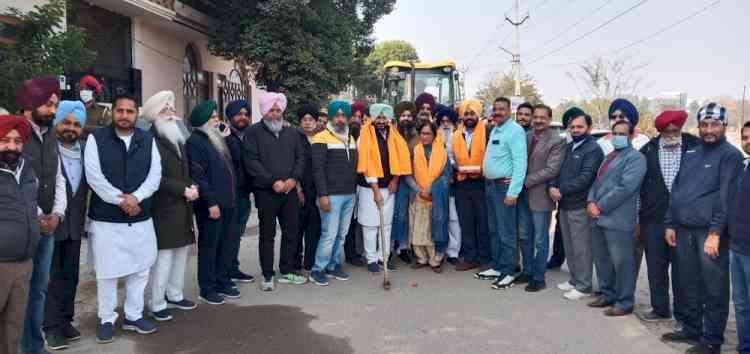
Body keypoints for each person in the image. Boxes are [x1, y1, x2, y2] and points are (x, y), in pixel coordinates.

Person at [661, 103, 744, 354]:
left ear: (724, 126)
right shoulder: (692, 153)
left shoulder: (730, 155)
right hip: (684, 230)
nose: (709, 130)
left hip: (709, 233)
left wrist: (715, 233)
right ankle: (691, 328)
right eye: (704, 125)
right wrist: (669, 223)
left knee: (714, 288)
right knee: (688, 283)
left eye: (715, 125)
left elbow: (726, 198)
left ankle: (712, 340)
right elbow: (677, 191)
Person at [85, 93, 162, 343]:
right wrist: (122, 200)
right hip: (107, 219)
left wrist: (136, 198)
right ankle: (107, 318)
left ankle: (133, 315)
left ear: (136, 114)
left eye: (130, 111)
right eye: (120, 111)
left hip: (140, 217)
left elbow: (155, 175)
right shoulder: (97, 138)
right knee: (108, 272)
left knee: (140, 270)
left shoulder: (147, 139)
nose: (124, 116)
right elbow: (94, 177)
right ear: (113, 112)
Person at [16, 76, 67, 354]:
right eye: (48, 105)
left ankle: (35, 346)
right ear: (32, 103)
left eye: (55, 105)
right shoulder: (16, 135)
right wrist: (38, 215)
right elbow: (16, 182)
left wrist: (57, 213)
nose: (52, 111)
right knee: (19, 293)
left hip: (48, 227)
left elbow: (59, 177)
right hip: (24, 228)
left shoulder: (50, 135)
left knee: (39, 291)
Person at [636, 110, 699, 323]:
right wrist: (639, 219)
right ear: (660, 131)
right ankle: (660, 309)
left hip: (685, 221)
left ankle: (684, 315)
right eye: (666, 130)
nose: (671, 133)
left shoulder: (696, 147)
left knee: (684, 271)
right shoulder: (647, 150)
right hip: (653, 220)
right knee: (655, 267)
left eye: (675, 130)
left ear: (681, 128)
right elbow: (639, 189)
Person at [141, 91, 198, 321]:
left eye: (172, 110)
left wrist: (191, 185)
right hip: (163, 207)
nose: (172, 114)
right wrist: (182, 190)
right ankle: (157, 302)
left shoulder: (176, 136)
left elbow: (183, 169)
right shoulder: (150, 140)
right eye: (166, 110)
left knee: (181, 253)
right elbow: (155, 178)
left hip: (182, 206)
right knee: (163, 257)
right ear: (156, 115)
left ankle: (175, 294)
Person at [244, 92, 307, 290]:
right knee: (267, 234)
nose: (275, 113)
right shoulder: (253, 132)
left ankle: (287, 270)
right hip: (266, 192)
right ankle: (268, 275)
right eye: (271, 110)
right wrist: (272, 181)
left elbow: (301, 158)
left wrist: (292, 179)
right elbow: (251, 161)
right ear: (264, 111)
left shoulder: (293, 133)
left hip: (289, 192)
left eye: (278, 110)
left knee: (291, 232)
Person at [586, 120, 647, 316]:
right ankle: (607, 294)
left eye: (622, 134)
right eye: (615, 133)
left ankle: (624, 302)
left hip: (618, 219)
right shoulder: (609, 156)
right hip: (597, 217)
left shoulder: (636, 158)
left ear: (630, 136)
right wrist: (590, 202)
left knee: (622, 264)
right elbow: (596, 183)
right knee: (602, 260)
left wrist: (600, 206)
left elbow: (626, 187)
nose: (618, 137)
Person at [42, 101, 88, 350]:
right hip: (51, 223)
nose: (71, 128)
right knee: (51, 278)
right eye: (66, 123)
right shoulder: (47, 150)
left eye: (76, 124)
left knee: (71, 275)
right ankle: (50, 327)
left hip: (75, 225)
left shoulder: (85, 151)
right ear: (57, 123)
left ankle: (65, 320)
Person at [186, 100, 239, 304]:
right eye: (214, 117)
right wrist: (211, 203)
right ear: (203, 121)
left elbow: (235, 161)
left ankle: (222, 281)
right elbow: (199, 176)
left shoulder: (216, 138)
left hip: (228, 202)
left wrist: (229, 138)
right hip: (211, 205)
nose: (218, 120)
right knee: (210, 247)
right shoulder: (195, 142)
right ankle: (207, 288)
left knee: (226, 244)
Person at [549, 108, 604, 301]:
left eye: (580, 126)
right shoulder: (570, 146)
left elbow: (585, 178)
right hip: (564, 204)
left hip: (579, 205)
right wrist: (553, 187)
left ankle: (584, 285)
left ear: (589, 128)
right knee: (570, 246)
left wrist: (560, 189)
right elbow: (557, 171)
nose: (575, 129)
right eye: (572, 127)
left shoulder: (592, 149)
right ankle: (574, 280)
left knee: (581, 248)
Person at [478, 97, 528, 290]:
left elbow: (520, 163)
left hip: (504, 188)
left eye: (502, 109)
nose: (498, 112)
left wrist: (513, 192)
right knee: (494, 230)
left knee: (507, 232)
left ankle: (509, 271)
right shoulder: (495, 130)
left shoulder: (515, 131)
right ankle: (498, 267)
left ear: (509, 111)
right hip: (490, 186)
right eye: (495, 109)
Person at [356, 103, 412, 273]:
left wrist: (395, 180)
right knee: (370, 225)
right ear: (373, 118)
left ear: (388, 119)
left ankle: (384, 257)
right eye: (378, 117)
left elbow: (400, 160)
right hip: (369, 187)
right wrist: (375, 190)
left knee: (386, 225)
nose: (381, 121)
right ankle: (371, 259)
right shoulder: (364, 136)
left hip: (389, 186)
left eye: (384, 118)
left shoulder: (394, 135)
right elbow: (366, 164)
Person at [308, 100, 358, 286]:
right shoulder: (321, 138)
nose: (340, 119)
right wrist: (323, 195)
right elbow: (317, 169)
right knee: (329, 234)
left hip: (349, 194)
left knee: (341, 234)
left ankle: (333, 265)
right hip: (331, 195)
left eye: (343, 115)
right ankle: (317, 269)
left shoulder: (351, 138)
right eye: (336, 115)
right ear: (330, 117)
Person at [0, 115, 38, 354]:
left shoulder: (27, 169)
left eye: (17, 141)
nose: (12, 147)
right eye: (4, 140)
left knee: (12, 329)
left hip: (24, 264)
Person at [517, 104, 565, 292]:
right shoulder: (526, 136)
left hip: (541, 196)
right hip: (522, 195)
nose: (537, 120)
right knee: (524, 236)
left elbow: (552, 169)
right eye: (535, 117)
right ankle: (527, 271)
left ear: (550, 118)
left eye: (542, 117)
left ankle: (539, 277)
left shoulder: (557, 140)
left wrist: (525, 181)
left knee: (540, 239)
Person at [406, 121, 450, 272]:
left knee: (435, 227)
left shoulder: (442, 152)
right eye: (422, 133)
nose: (424, 136)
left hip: (436, 197)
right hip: (417, 195)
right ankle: (421, 258)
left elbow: (445, 175)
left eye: (428, 134)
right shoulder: (414, 150)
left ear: (434, 135)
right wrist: (419, 190)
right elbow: (408, 174)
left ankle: (435, 259)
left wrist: (431, 189)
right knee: (418, 229)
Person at [452, 99, 490, 272]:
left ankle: (484, 258)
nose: (469, 117)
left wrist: (482, 171)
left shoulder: (488, 132)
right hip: (462, 183)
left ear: (478, 115)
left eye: (472, 113)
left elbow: (492, 156)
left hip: (482, 182)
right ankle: (470, 257)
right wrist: (455, 166)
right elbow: (450, 155)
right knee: (466, 222)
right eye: (466, 113)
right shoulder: (455, 134)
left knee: (483, 222)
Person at [224, 99, 255, 283]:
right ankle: (224, 272)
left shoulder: (249, 135)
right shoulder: (224, 135)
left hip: (244, 193)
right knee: (228, 235)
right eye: (238, 114)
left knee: (237, 234)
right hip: (229, 194)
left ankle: (233, 268)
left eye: (245, 114)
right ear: (230, 116)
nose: (242, 117)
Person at [729, 121, 750, 354]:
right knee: (742, 305)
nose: (748, 141)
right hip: (737, 247)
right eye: (744, 137)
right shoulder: (743, 166)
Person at [391, 101, 419, 265]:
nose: (406, 118)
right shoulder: (392, 133)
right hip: (396, 179)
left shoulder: (417, 135)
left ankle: (403, 247)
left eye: (409, 116)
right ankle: (390, 247)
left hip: (413, 179)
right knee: (397, 214)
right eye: (403, 115)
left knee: (408, 215)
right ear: (398, 117)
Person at [434, 104, 462, 265]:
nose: (445, 124)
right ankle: (439, 251)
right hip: (437, 182)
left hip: (455, 181)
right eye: (442, 121)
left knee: (453, 218)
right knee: (438, 218)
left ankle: (453, 252)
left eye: (448, 121)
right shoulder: (434, 136)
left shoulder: (458, 136)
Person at [296, 105, 322, 272]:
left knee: (314, 228)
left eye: (310, 120)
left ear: (316, 121)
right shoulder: (294, 138)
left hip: (318, 190)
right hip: (299, 189)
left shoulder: (321, 138)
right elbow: (291, 164)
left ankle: (310, 262)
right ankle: (295, 262)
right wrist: (298, 189)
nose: (307, 123)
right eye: (304, 120)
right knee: (297, 229)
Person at [345, 100, 367, 266]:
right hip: (344, 185)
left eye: (360, 117)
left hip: (361, 185)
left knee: (358, 221)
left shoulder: (366, 136)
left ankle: (357, 253)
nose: (356, 120)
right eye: (354, 116)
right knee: (347, 222)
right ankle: (350, 254)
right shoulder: (342, 135)